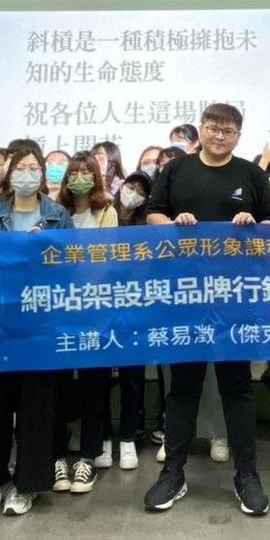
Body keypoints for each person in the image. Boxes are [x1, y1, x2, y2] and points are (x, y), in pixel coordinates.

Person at [143, 102, 270, 516]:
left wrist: (252, 225)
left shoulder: (251, 175)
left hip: (235, 296)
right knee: (183, 387)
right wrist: (173, 223)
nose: (219, 136)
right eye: (212, 128)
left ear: (239, 135)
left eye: (228, 130)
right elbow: (151, 215)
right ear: (201, 129)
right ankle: (174, 473)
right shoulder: (177, 170)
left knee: (236, 387)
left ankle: (247, 474)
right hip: (185, 295)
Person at [0, 145, 66, 516]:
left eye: (33, 168)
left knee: (35, 404)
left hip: (40, 321)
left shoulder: (57, 215)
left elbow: (68, 267)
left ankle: (28, 485)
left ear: (42, 175)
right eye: (20, 168)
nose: (27, 173)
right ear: (9, 176)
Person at [51, 152, 118, 492]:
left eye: (86, 171)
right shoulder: (52, 210)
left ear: (96, 176)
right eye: (74, 172)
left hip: (95, 309)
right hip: (58, 311)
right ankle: (59, 455)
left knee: (95, 382)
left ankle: (88, 456)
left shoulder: (107, 211)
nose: (79, 177)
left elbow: (106, 258)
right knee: (60, 383)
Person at [114, 171, 153, 470]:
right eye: (131, 186)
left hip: (136, 307)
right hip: (98, 304)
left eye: (141, 190)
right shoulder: (104, 214)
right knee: (98, 375)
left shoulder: (147, 224)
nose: (133, 193)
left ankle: (129, 436)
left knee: (132, 376)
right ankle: (101, 437)